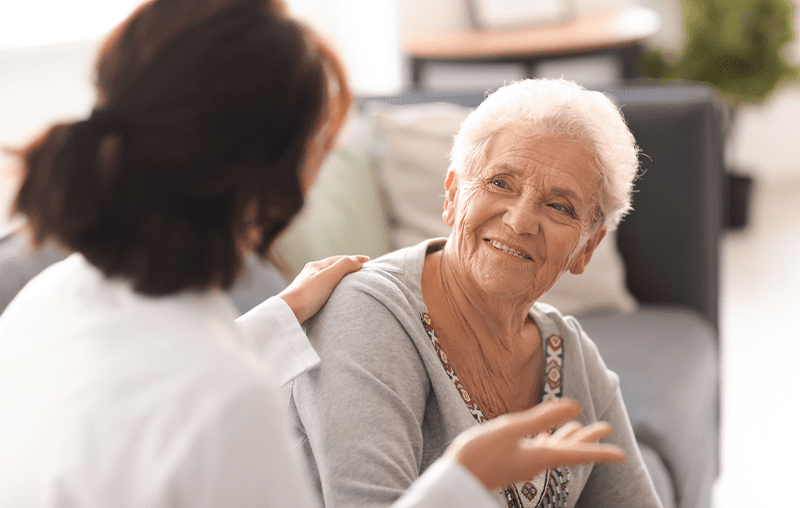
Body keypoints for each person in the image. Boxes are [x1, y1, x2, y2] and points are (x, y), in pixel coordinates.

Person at [0, 1, 626, 507]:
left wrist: (275, 321)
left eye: (560, 206)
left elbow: (142, 399)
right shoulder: (228, 399)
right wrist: (461, 480)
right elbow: (186, 401)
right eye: (321, 142)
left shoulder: (46, 304)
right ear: (282, 178)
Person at [289, 78, 664, 508]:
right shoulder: (366, 315)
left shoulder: (571, 355)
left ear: (587, 249)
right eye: (501, 183)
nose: (521, 221)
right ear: (452, 194)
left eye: (559, 206)